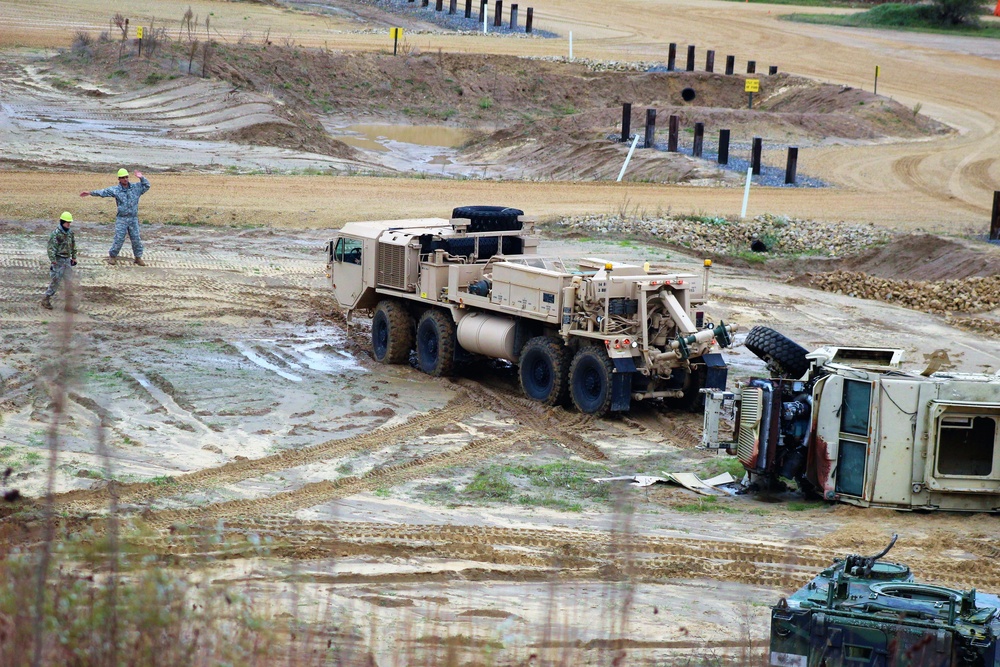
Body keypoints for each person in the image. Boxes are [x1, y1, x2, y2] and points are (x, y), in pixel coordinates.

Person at [80, 168, 150, 266]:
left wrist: (141, 177)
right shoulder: (116, 190)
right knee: (119, 239)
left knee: (136, 239)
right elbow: (103, 192)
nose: (125, 179)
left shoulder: (136, 188)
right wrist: (90, 193)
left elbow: (147, 186)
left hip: (133, 218)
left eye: (126, 177)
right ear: (119, 179)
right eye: (122, 178)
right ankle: (112, 256)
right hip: (122, 218)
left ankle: (138, 257)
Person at [41, 211, 78, 310]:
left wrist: (74, 256)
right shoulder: (56, 233)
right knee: (56, 280)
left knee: (69, 282)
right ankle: (46, 298)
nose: (69, 224)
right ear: (62, 222)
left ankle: (69, 305)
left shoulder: (70, 233)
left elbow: (73, 245)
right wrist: (53, 260)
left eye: (70, 222)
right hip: (58, 260)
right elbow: (51, 248)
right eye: (67, 222)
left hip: (67, 260)